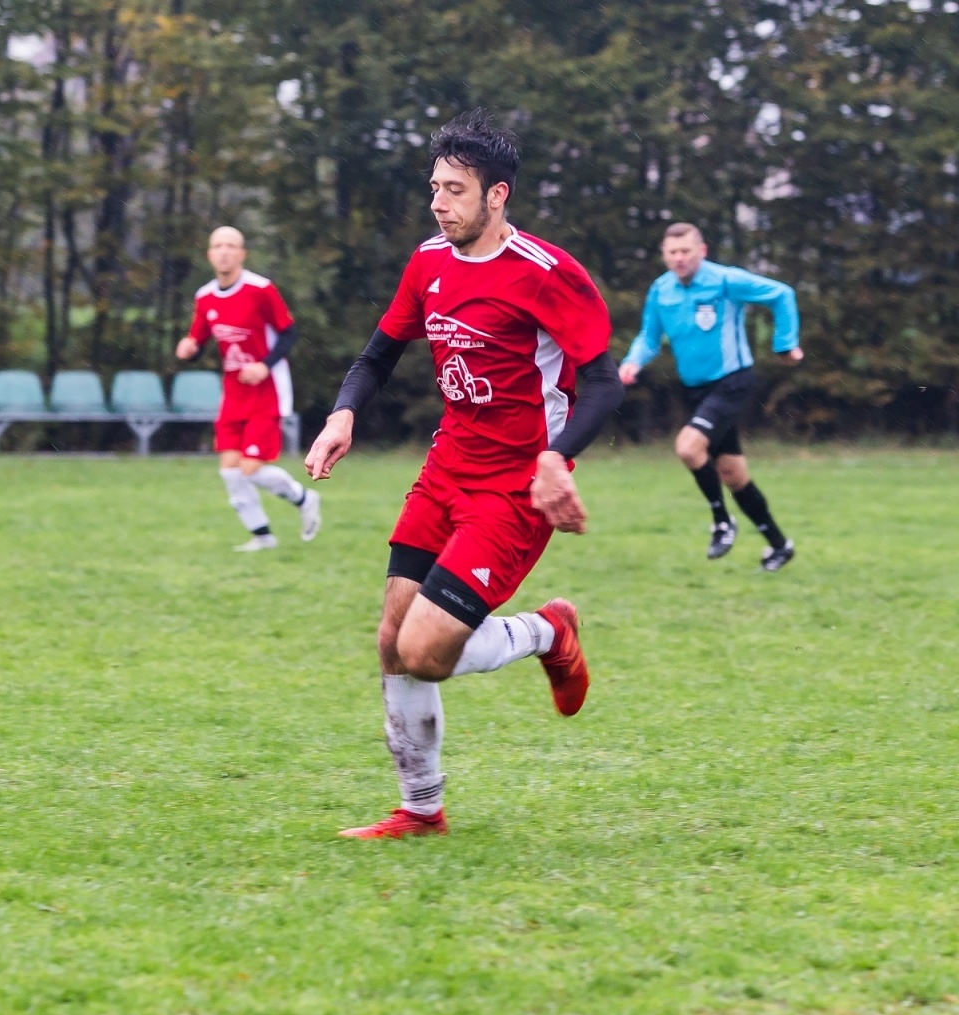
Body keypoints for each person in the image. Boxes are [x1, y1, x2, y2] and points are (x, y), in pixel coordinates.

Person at [303, 110, 623, 839]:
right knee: (391, 640)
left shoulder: (548, 275)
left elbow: (605, 384)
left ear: (497, 195)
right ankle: (421, 813)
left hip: (513, 491)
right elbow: (376, 355)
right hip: (446, 469)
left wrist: (554, 457)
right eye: (435, 188)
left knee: (424, 652)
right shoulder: (429, 262)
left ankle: (548, 631)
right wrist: (343, 415)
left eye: (455, 190)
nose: (440, 203)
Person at [620, 222, 801, 570]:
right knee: (733, 474)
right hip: (696, 390)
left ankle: (722, 522)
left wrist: (785, 343)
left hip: (733, 381)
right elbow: (649, 336)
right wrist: (632, 362)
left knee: (688, 447)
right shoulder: (661, 291)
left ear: (701, 251)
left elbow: (782, 294)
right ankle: (780, 545)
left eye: (686, 251)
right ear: (664, 255)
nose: (679, 258)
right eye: (672, 252)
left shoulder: (725, 280)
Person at [177, 226, 321, 551]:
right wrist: (188, 348)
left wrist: (264, 365)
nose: (224, 251)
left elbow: (288, 333)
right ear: (210, 255)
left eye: (231, 246)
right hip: (233, 394)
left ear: (242, 254)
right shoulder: (205, 296)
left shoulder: (260, 289)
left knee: (251, 469)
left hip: (267, 392)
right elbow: (198, 341)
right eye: (218, 246)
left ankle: (304, 498)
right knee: (230, 472)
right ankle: (262, 536)